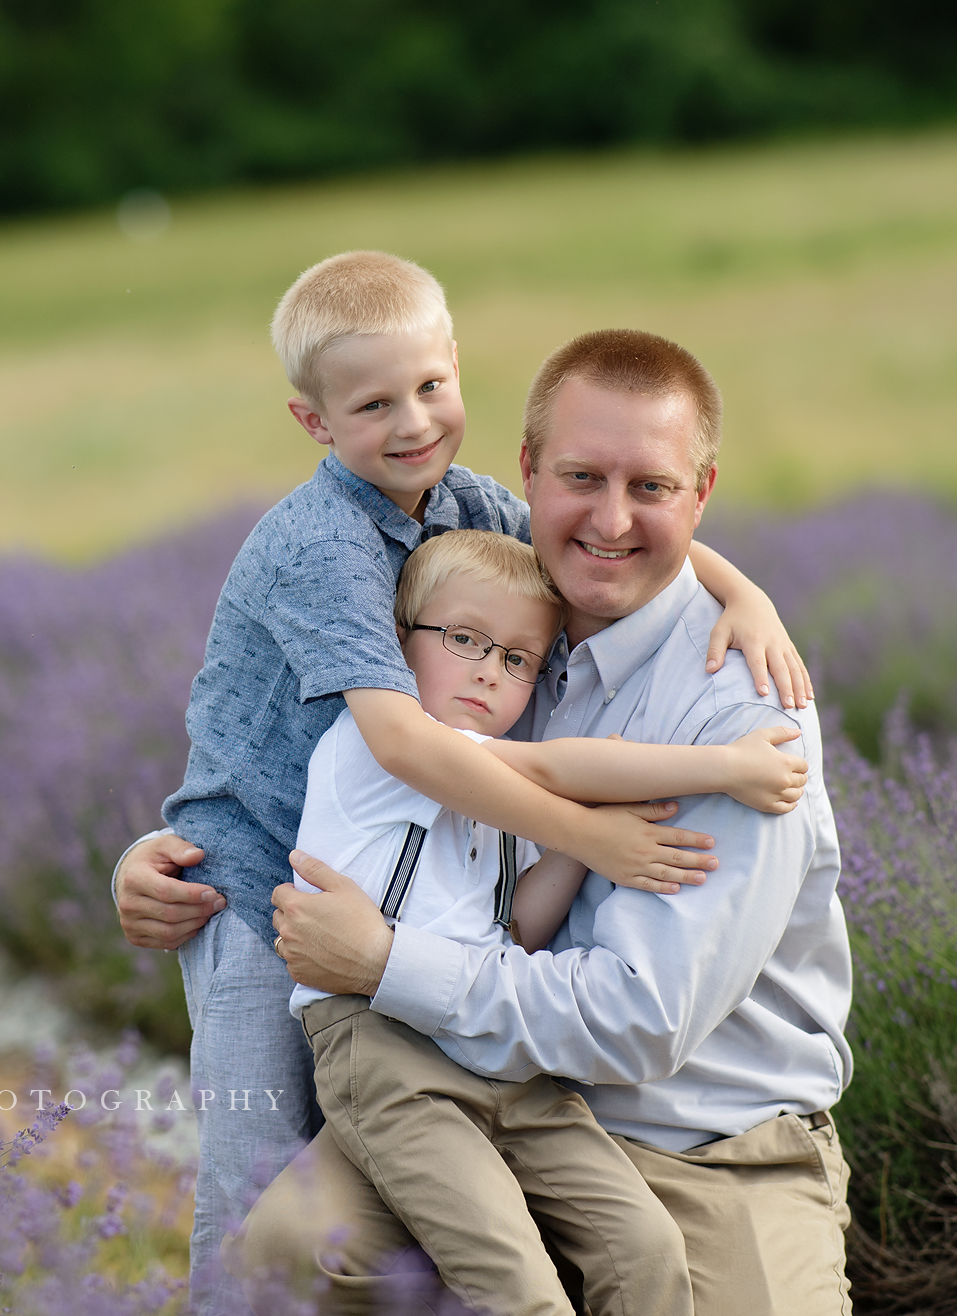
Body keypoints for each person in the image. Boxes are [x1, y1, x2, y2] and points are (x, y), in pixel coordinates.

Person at [112, 251, 815, 1308]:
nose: (410, 422)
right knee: (261, 1189)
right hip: (259, 888)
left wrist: (743, 590)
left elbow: (606, 533)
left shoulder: (468, 509)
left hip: (630, 1094)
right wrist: (586, 835)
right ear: (312, 423)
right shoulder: (323, 544)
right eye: (371, 403)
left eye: (429, 388)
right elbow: (406, 749)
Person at [290, 527, 809, 1316]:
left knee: (645, 1248)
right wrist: (726, 767)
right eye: (464, 640)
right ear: (399, 641)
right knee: (515, 1282)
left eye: (517, 660)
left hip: (493, 1049)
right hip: (383, 1040)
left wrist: (745, 591)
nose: (487, 671)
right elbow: (555, 768)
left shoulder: (494, 791)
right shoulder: (388, 740)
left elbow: (521, 930)